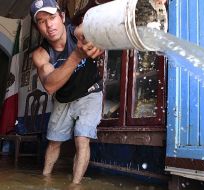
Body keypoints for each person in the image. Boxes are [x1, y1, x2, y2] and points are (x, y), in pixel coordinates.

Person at [30, 0, 166, 185]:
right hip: (63, 99)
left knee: (82, 137)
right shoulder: (40, 54)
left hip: (90, 92)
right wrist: (76, 56)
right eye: (41, 21)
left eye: (52, 17)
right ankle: (45, 180)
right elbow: (50, 86)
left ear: (62, 17)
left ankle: (75, 185)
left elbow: (98, 22)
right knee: (54, 141)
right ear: (38, 27)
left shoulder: (77, 31)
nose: (49, 25)